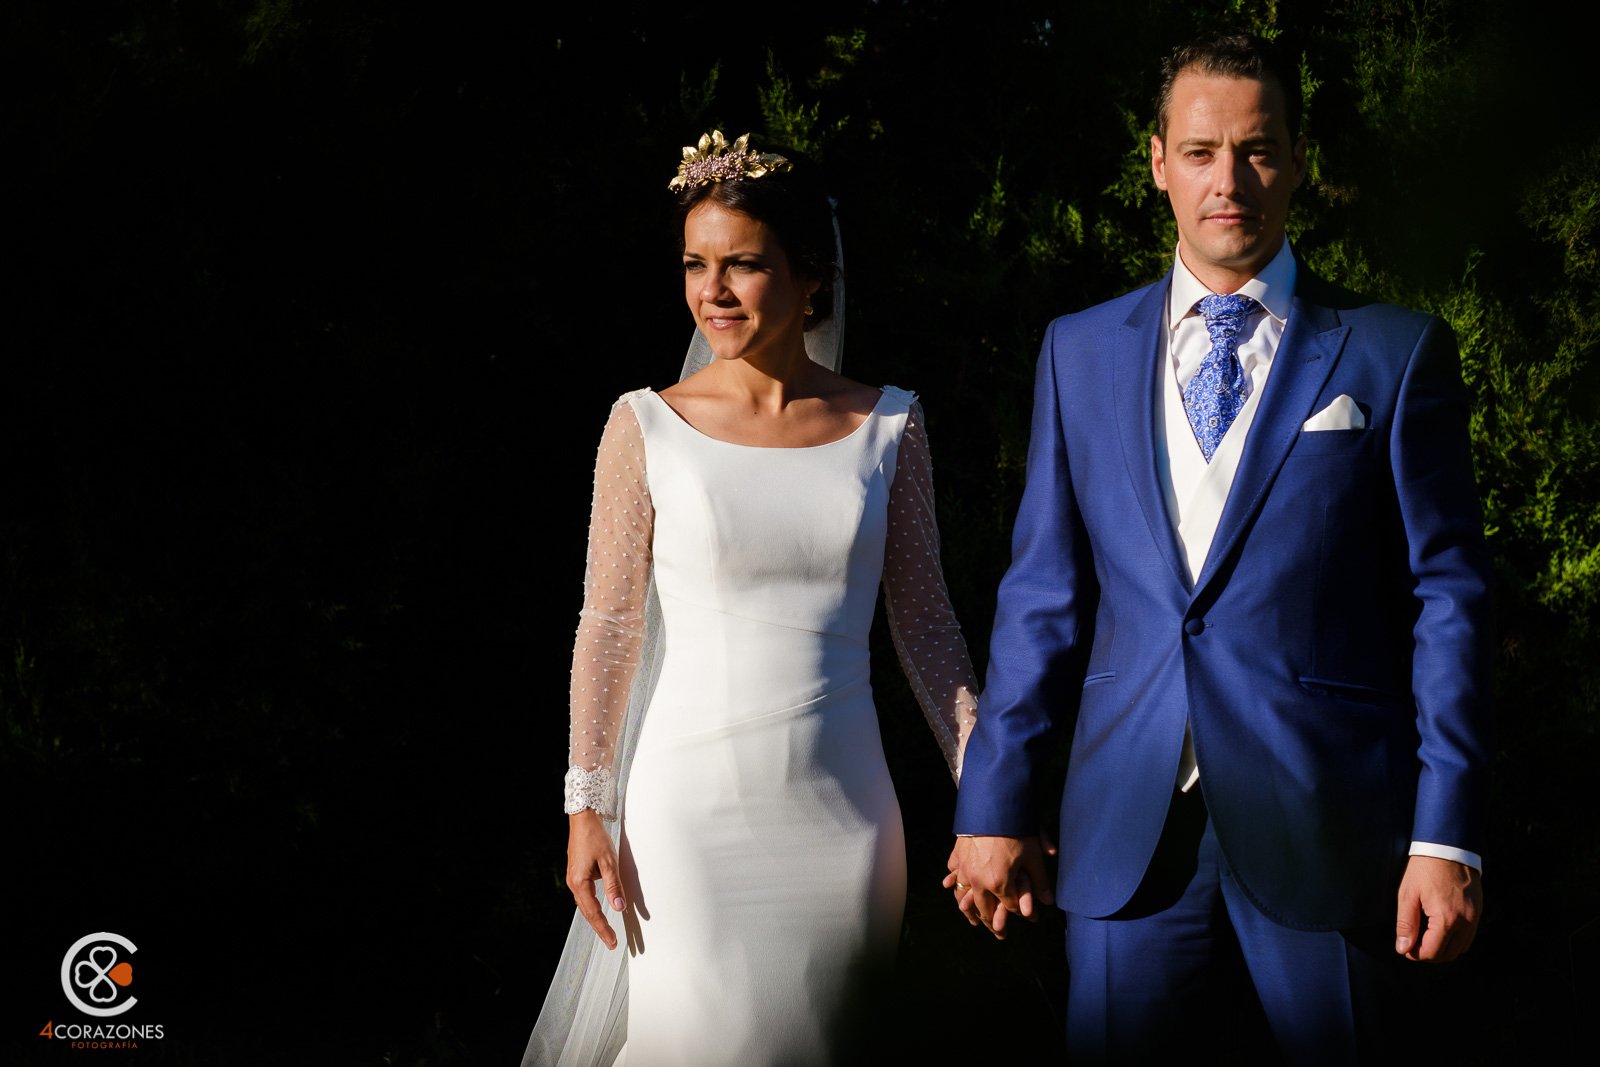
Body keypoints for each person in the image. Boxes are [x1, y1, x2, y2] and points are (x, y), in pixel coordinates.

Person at [945, 31, 1493, 1063]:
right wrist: (995, 800)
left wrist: (1445, 829)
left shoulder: (1392, 349)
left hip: (1328, 823)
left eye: (1256, 149)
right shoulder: (1076, 349)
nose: (1227, 180)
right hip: (1123, 830)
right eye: (1200, 152)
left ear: (1294, 160)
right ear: (1158, 162)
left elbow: (1447, 600)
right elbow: (1042, 596)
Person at [522, 130, 980, 1067]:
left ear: (813, 275)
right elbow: (607, 626)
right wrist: (587, 808)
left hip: (845, 824)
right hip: (685, 821)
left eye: (743, 264)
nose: (713, 291)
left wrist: (988, 789)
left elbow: (926, 622)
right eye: (696, 264)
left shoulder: (890, 423)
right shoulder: (644, 424)